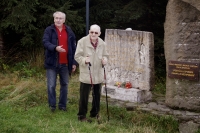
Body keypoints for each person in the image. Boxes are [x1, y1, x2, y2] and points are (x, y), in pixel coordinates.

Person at [42, 11, 77, 112]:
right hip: (52, 63)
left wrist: (74, 62)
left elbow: (74, 48)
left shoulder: (69, 31)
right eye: (56, 18)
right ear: (54, 19)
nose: (58, 20)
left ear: (64, 20)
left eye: (60, 18)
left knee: (65, 84)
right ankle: (52, 106)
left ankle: (62, 106)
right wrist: (55, 48)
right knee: (51, 85)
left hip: (65, 63)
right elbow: (45, 42)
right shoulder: (49, 30)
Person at [75, 24, 109, 122]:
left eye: (96, 32)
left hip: (98, 74)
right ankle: (81, 115)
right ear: (89, 31)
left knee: (97, 95)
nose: (93, 34)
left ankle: (95, 113)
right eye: (91, 32)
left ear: (99, 33)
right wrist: (84, 60)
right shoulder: (82, 42)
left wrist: (105, 60)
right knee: (84, 96)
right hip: (87, 73)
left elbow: (106, 55)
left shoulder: (103, 43)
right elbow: (77, 56)